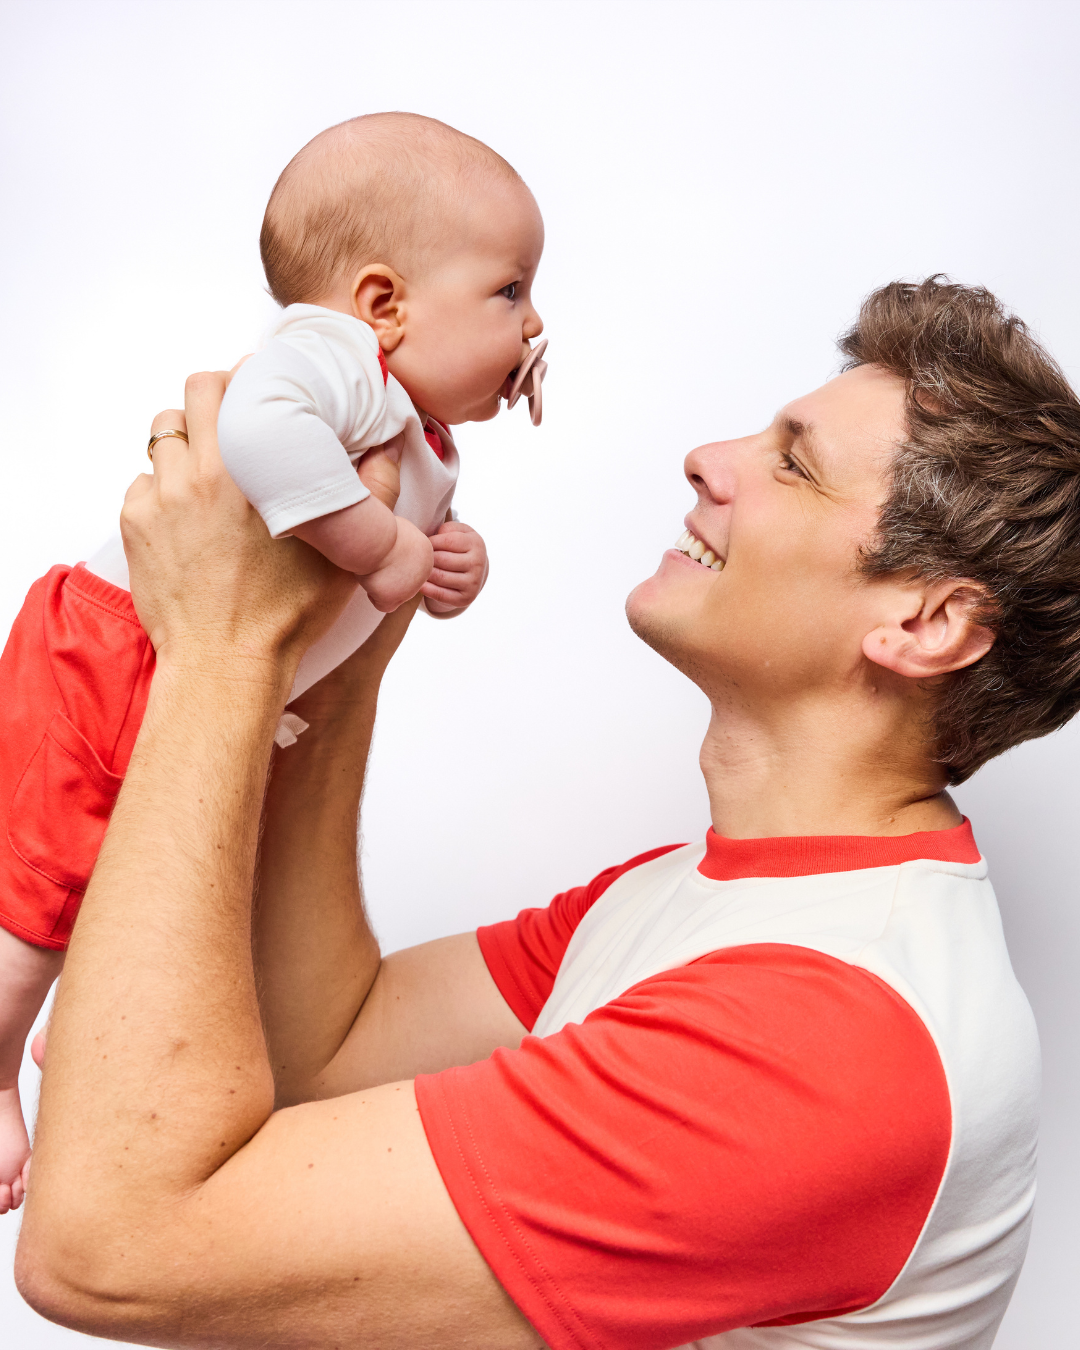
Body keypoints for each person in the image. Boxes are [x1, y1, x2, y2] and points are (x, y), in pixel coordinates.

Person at [15, 278, 1079, 1349]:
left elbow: (109, 1251)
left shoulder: (830, 1035)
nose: (709, 457)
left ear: (929, 622)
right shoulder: (696, 899)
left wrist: (221, 649)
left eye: (793, 462)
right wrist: (341, 639)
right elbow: (327, 1051)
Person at [0, 111, 546, 1212]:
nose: (535, 323)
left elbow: (397, 567)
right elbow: (254, 428)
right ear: (384, 304)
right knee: (40, 884)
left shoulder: (424, 430)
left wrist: (447, 562)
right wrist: (380, 542)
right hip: (114, 647)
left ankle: (90, 1024)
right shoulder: (332, 359)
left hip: (219, 679)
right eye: (510, 291)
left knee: (175, 876)